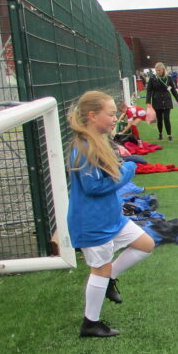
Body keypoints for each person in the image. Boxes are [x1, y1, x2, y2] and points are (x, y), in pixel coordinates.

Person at [67, 91, 154, 337]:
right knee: (100, 270)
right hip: (93, 222)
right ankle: (90, 323)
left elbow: (106, 173)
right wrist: (129, 169)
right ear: (93, 115)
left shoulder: (97, 140)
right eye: (111, 114)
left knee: (146, 245)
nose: (115, 118)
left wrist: (123, 163)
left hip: (111, 217)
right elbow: (94, 187)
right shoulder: (84, 148)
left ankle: (108, 279)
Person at [145, 62, 178, 141]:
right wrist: (148, 102)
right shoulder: (152, 78)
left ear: (163, 69)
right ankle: (160, 133)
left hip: (167, 100)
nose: (158, 72)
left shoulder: (168, 78)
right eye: (157, 70)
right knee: (159, 119)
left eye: (160, 70)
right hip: (157, 101)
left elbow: (173, 90)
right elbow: (149, 91)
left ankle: (169, 135)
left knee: (167, 119)